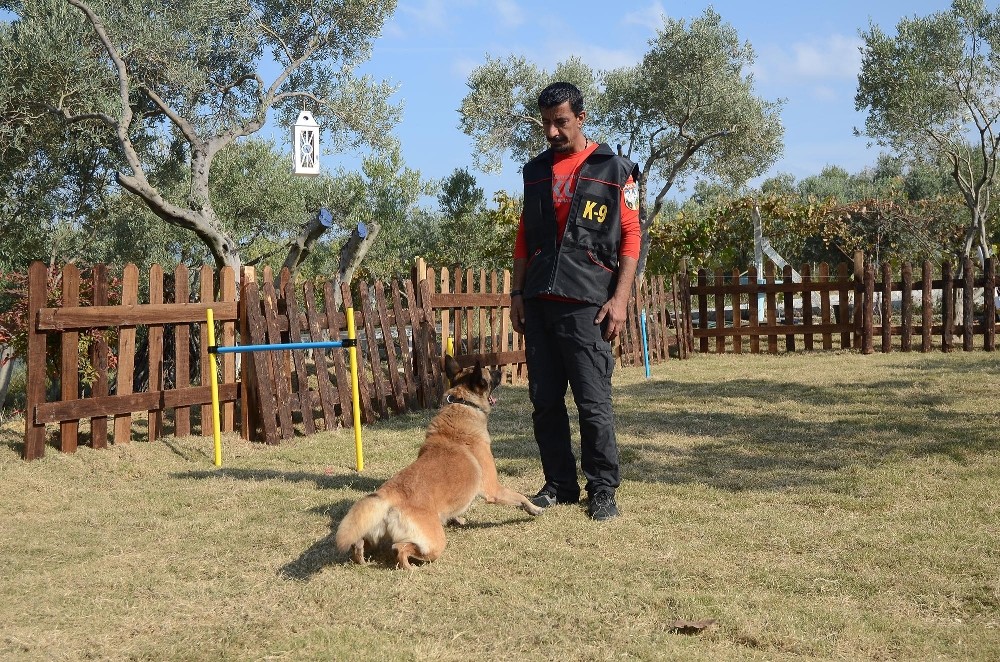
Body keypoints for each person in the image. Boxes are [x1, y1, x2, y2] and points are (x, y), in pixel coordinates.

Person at [510, 82, 641, 521]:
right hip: (539, 298)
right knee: (545, 400)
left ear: (581, 118)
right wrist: (516, 293)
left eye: (560, 122)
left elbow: (630, 238)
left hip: (588, 300)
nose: (551, 131)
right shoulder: (535, 171)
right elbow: (524, 236)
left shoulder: (615, 168)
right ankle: (560, 484)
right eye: (545, 123)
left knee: (592, 400)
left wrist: (619, 302)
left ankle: (602, 489)